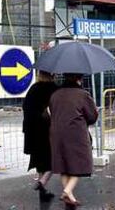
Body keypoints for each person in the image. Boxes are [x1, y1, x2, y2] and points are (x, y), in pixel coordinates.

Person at [49, 73, 98, 206]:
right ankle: (67, 191)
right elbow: (92, 116)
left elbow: (52, 111)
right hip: (75, 134)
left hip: (56, 132)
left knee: (63, 164)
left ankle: (69, 195)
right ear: (79, 79)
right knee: (80, 162)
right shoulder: (82, 95)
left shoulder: (55, 94)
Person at [22, 71, 57, 201]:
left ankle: (43, 192)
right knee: (54, 159)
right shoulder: (54, 89)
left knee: (40, 161)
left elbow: (25, 107)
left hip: (32, 130)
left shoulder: (33, 88)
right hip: (47, 130)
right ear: (52, 75)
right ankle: (42, 182)